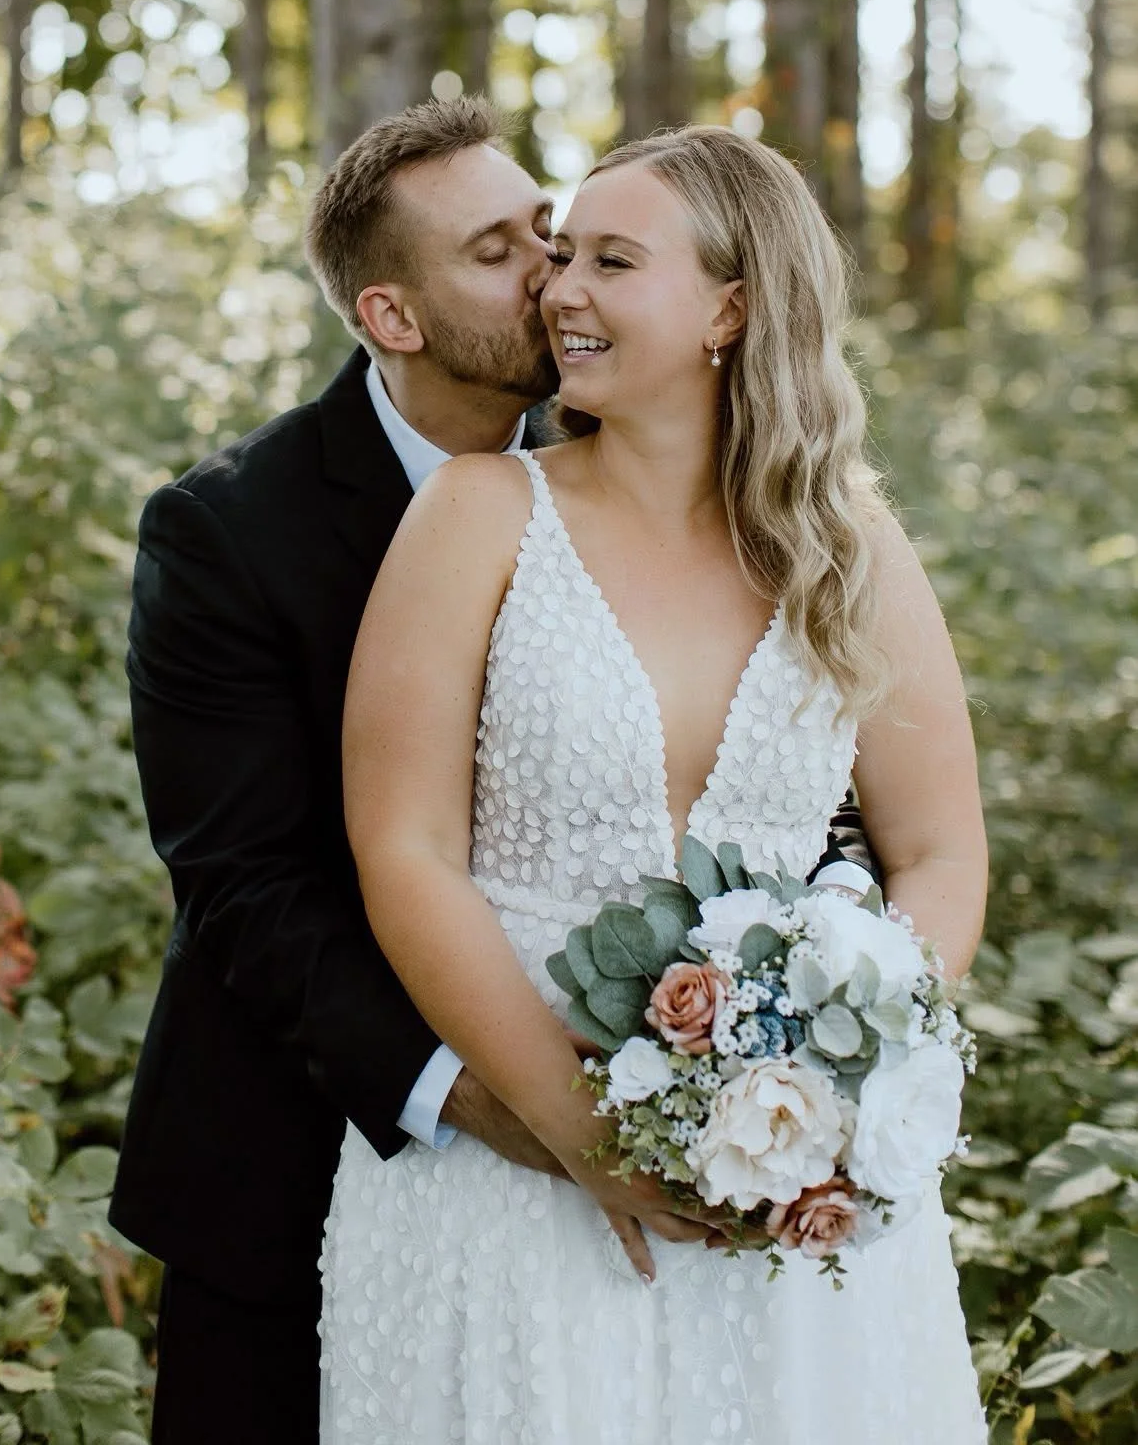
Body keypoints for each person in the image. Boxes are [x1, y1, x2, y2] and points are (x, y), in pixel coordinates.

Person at [109, 102, 876, 1442]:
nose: (554, 271)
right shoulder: (229, 532)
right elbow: (247, 888)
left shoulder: (693, 489)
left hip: (675, 1138)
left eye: (554, 230)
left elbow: (812, 794)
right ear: (392, 317)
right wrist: (520, 1106)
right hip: (310, 1139)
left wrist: (784, 1044)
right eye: (498, 250)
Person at [324, 125, 989, 1444]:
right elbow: (402, 849)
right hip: (510, 1168)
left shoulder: (846, 548)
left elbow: (938, 853)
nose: (558, 290)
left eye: (609, 261)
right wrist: (574, 1128)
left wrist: (836, 1092)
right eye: (557, 254)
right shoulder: (473, 515)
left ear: (730, 309)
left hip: (787, 1176)